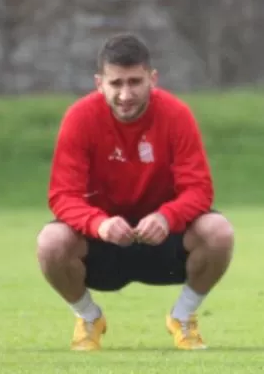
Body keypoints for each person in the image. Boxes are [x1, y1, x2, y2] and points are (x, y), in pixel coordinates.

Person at [36, 33, 235, 351]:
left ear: (152, 79)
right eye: (116, 84)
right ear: (99, 83)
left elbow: (199, 189)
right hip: (101, 245)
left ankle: (183, 317)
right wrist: (99, 224)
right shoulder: (79, 118)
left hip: (164, 243)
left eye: (134, 82)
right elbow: (62, 195)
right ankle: (88, 318)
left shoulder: (176, 115)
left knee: (219, 232)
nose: (125, 94)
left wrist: (167, 217)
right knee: (50, 242)